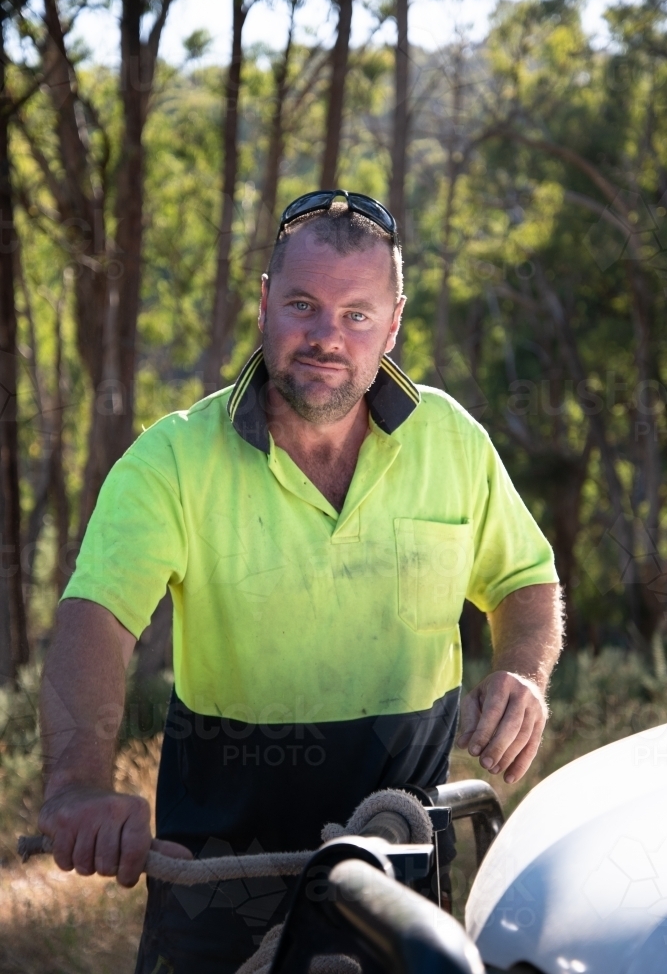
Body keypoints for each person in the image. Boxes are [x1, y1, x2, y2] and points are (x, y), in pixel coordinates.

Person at [39, 190, 563, 974]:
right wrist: (80, 783)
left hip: (404, 868)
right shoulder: (172, 459)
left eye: (357, 315)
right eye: (302, 305)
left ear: (392, 325)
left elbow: (525, 579)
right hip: (219, 879)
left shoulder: (450, 440)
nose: (326, 336)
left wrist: (522, 671)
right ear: (263, 304)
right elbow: (96, 620)